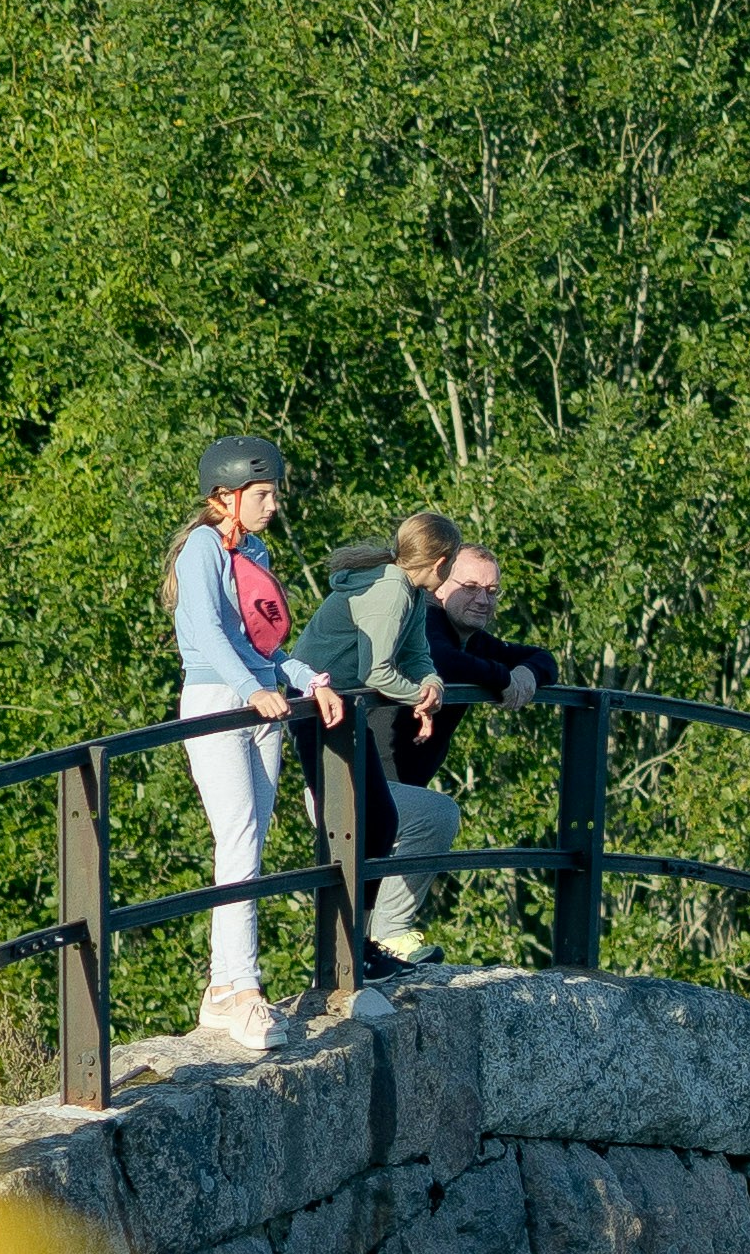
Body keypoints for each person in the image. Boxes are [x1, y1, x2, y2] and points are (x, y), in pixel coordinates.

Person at [163, 436, 343, 1045]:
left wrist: (308, 680)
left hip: (265, 701)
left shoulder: (255, 548)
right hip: (220, 700)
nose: (272, 504)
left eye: (272, 493)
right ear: (225, 495)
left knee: (252, 842)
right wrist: (248, 689)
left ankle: (221, 990)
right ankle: (242, 989)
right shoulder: (200, 550)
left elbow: (264, 645)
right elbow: (206, 633)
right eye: (261, 494)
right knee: (238, 837)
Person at [276, 514, 455, 972]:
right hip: (317, 707)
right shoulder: (390, 588)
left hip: (344, 710)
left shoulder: (410, 592)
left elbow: (415, 655)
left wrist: (431, 685)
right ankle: (346, 950)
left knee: (379, 823)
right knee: (362, 826)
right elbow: (378, 672)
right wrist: (419, 695)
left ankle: (359, 945)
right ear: (441, 561)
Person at [380, 530, 559, 958]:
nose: (484, 599)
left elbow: (541, 656)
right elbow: (440, 660)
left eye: (493, 590)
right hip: (352, 782)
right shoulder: (421, 616)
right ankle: (386, 940)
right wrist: (503, 678)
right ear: (440, 580)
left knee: (421, 822)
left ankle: (375, 949)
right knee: (438, 815)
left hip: (392, 789)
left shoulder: (470, 637)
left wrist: (527, 675)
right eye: (471, 587)